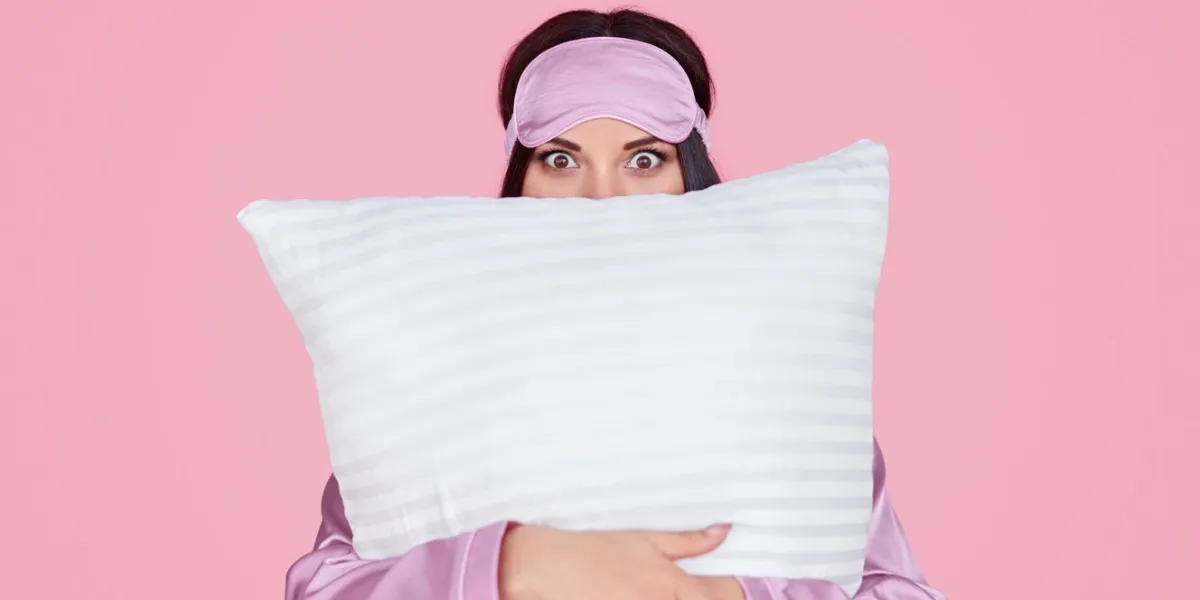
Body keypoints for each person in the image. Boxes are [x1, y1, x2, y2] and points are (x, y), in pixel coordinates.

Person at [285, 8, 947, 600]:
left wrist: (721, 593)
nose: (602, 200)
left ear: (691, 177)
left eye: (644, 159)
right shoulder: (428, 366)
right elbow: (326, 587)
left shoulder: (783, 382)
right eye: (562, 160)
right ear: (519, 182)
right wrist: (519, 565)